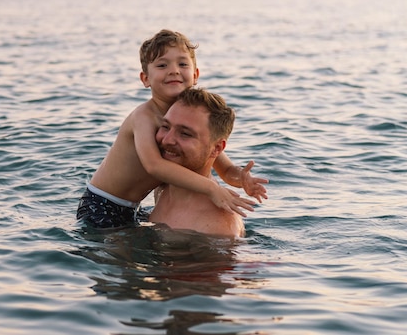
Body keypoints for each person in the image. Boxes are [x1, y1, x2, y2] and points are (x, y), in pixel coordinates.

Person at [77, 29, 267, 229]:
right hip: (102, 204)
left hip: (131, 207)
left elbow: (225, 169)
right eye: (162, 65)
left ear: (195, 75)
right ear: (145, 79)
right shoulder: (144, 117)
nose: (174, 70)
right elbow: (154, 166)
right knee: (124, 258)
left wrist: (243, 180)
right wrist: (211, 188)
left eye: (182, 64)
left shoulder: (189, 119)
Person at [149, 88, 245, 237]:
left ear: (217, 148)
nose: (167, 140)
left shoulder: (217, 226)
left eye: (185, 134)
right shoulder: (163, 185)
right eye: (165, 126)